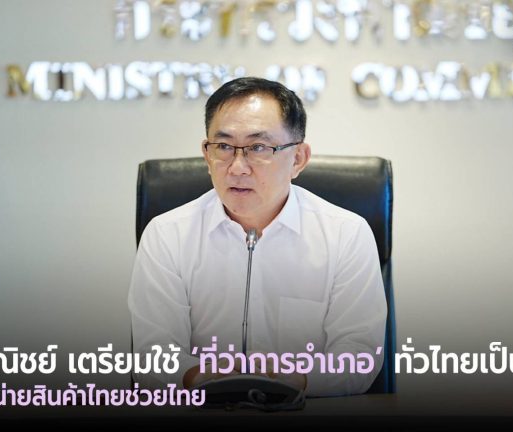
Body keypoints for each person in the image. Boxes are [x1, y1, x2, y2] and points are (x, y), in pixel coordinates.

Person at [127, 77, 386, 397]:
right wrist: (200, 377)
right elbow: (153, 357)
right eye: (223, 147)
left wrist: (299, 380)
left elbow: (359, 356)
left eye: (258, 148)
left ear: (298, 158)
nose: (237, 167)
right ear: (207, 155)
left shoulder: (346, 234)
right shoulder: (168, 234)